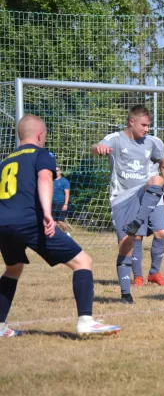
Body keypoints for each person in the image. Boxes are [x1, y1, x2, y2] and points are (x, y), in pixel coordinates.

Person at [0, 115, 120, 338]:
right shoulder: (41, 154)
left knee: (13, 268)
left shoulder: (5, 161)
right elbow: (45, 179)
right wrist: (47, 213)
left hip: (3, 223)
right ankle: (86, 320)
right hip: (29, 221)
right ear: (39, 135)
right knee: (82, 261)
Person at [91, 105, 164, 304]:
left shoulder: (151, 142)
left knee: (156, 181)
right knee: (125, 246)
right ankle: (126, 294)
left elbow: (163, 161)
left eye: (148, 126)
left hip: (143, 193)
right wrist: (98, 149)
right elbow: (96, 146)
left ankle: (138, 225)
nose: (146, 129)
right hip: (121, 199)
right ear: (131, 122)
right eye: (143, 125)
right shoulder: (116, 139)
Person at [130, 162, 164, 287]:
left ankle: (154, 273)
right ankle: (138, 276)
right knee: (136, 235)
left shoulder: (156, 143)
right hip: (134, 196)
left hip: (155, 196)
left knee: (161, 232)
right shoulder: (126, 143)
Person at [51, 166, 71, 236]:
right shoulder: (51, 180)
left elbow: (67, 193)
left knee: (60, 221)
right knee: (53, 221)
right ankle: (55, 235)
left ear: (60, 172)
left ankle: (67, 233)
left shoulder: (64, 181)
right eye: (54, 170)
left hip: (60, 204)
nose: (56, 172)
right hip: (51, 204)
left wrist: (65, 204)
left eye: (57, 170)